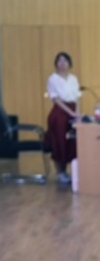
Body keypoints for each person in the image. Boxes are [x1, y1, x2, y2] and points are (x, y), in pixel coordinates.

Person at [45, 51, 81, 185]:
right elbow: (56, 99)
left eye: (65, 60)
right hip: (59, 113)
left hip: (72, 110)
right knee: (59, 142)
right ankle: (60, 173)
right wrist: (70, 112)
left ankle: (71, 172)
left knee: (72, 142)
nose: (62, 63)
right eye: (59, 60)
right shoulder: (52, 79)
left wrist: (77, 113)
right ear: (56, 64)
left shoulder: (73, 78)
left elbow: (77, 97)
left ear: (69, 63)